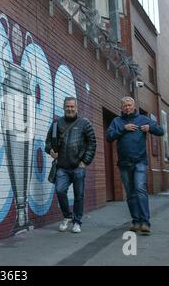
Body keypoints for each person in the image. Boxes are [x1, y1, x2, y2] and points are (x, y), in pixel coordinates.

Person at [106, 97, 164, 234]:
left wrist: (150, 128)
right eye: (124, 105)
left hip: (140, 161)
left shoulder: (142, 119)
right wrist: (123, 129)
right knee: (131, 194)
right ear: (121, 108)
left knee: (139, 189)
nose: (127, 107)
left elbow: (160, 131)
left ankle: (145, 222)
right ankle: (136, 221)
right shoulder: (117, 121)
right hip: (124, 163)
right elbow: (109, 137)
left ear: (134, 106)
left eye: (129, 105)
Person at [45, 97, 97, 233]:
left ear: (76, 107)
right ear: (64, 107)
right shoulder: (57, 123)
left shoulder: (85, 123)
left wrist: (85, 161)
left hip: (78, 166)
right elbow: (48, 142)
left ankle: (77, 221)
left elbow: (92, 143)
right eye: (67, 106)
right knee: (60, 190)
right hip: (62, 166)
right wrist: (50, 150)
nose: (70, 109)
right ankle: (67, 216)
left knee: (79, 195)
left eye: (72, 106)